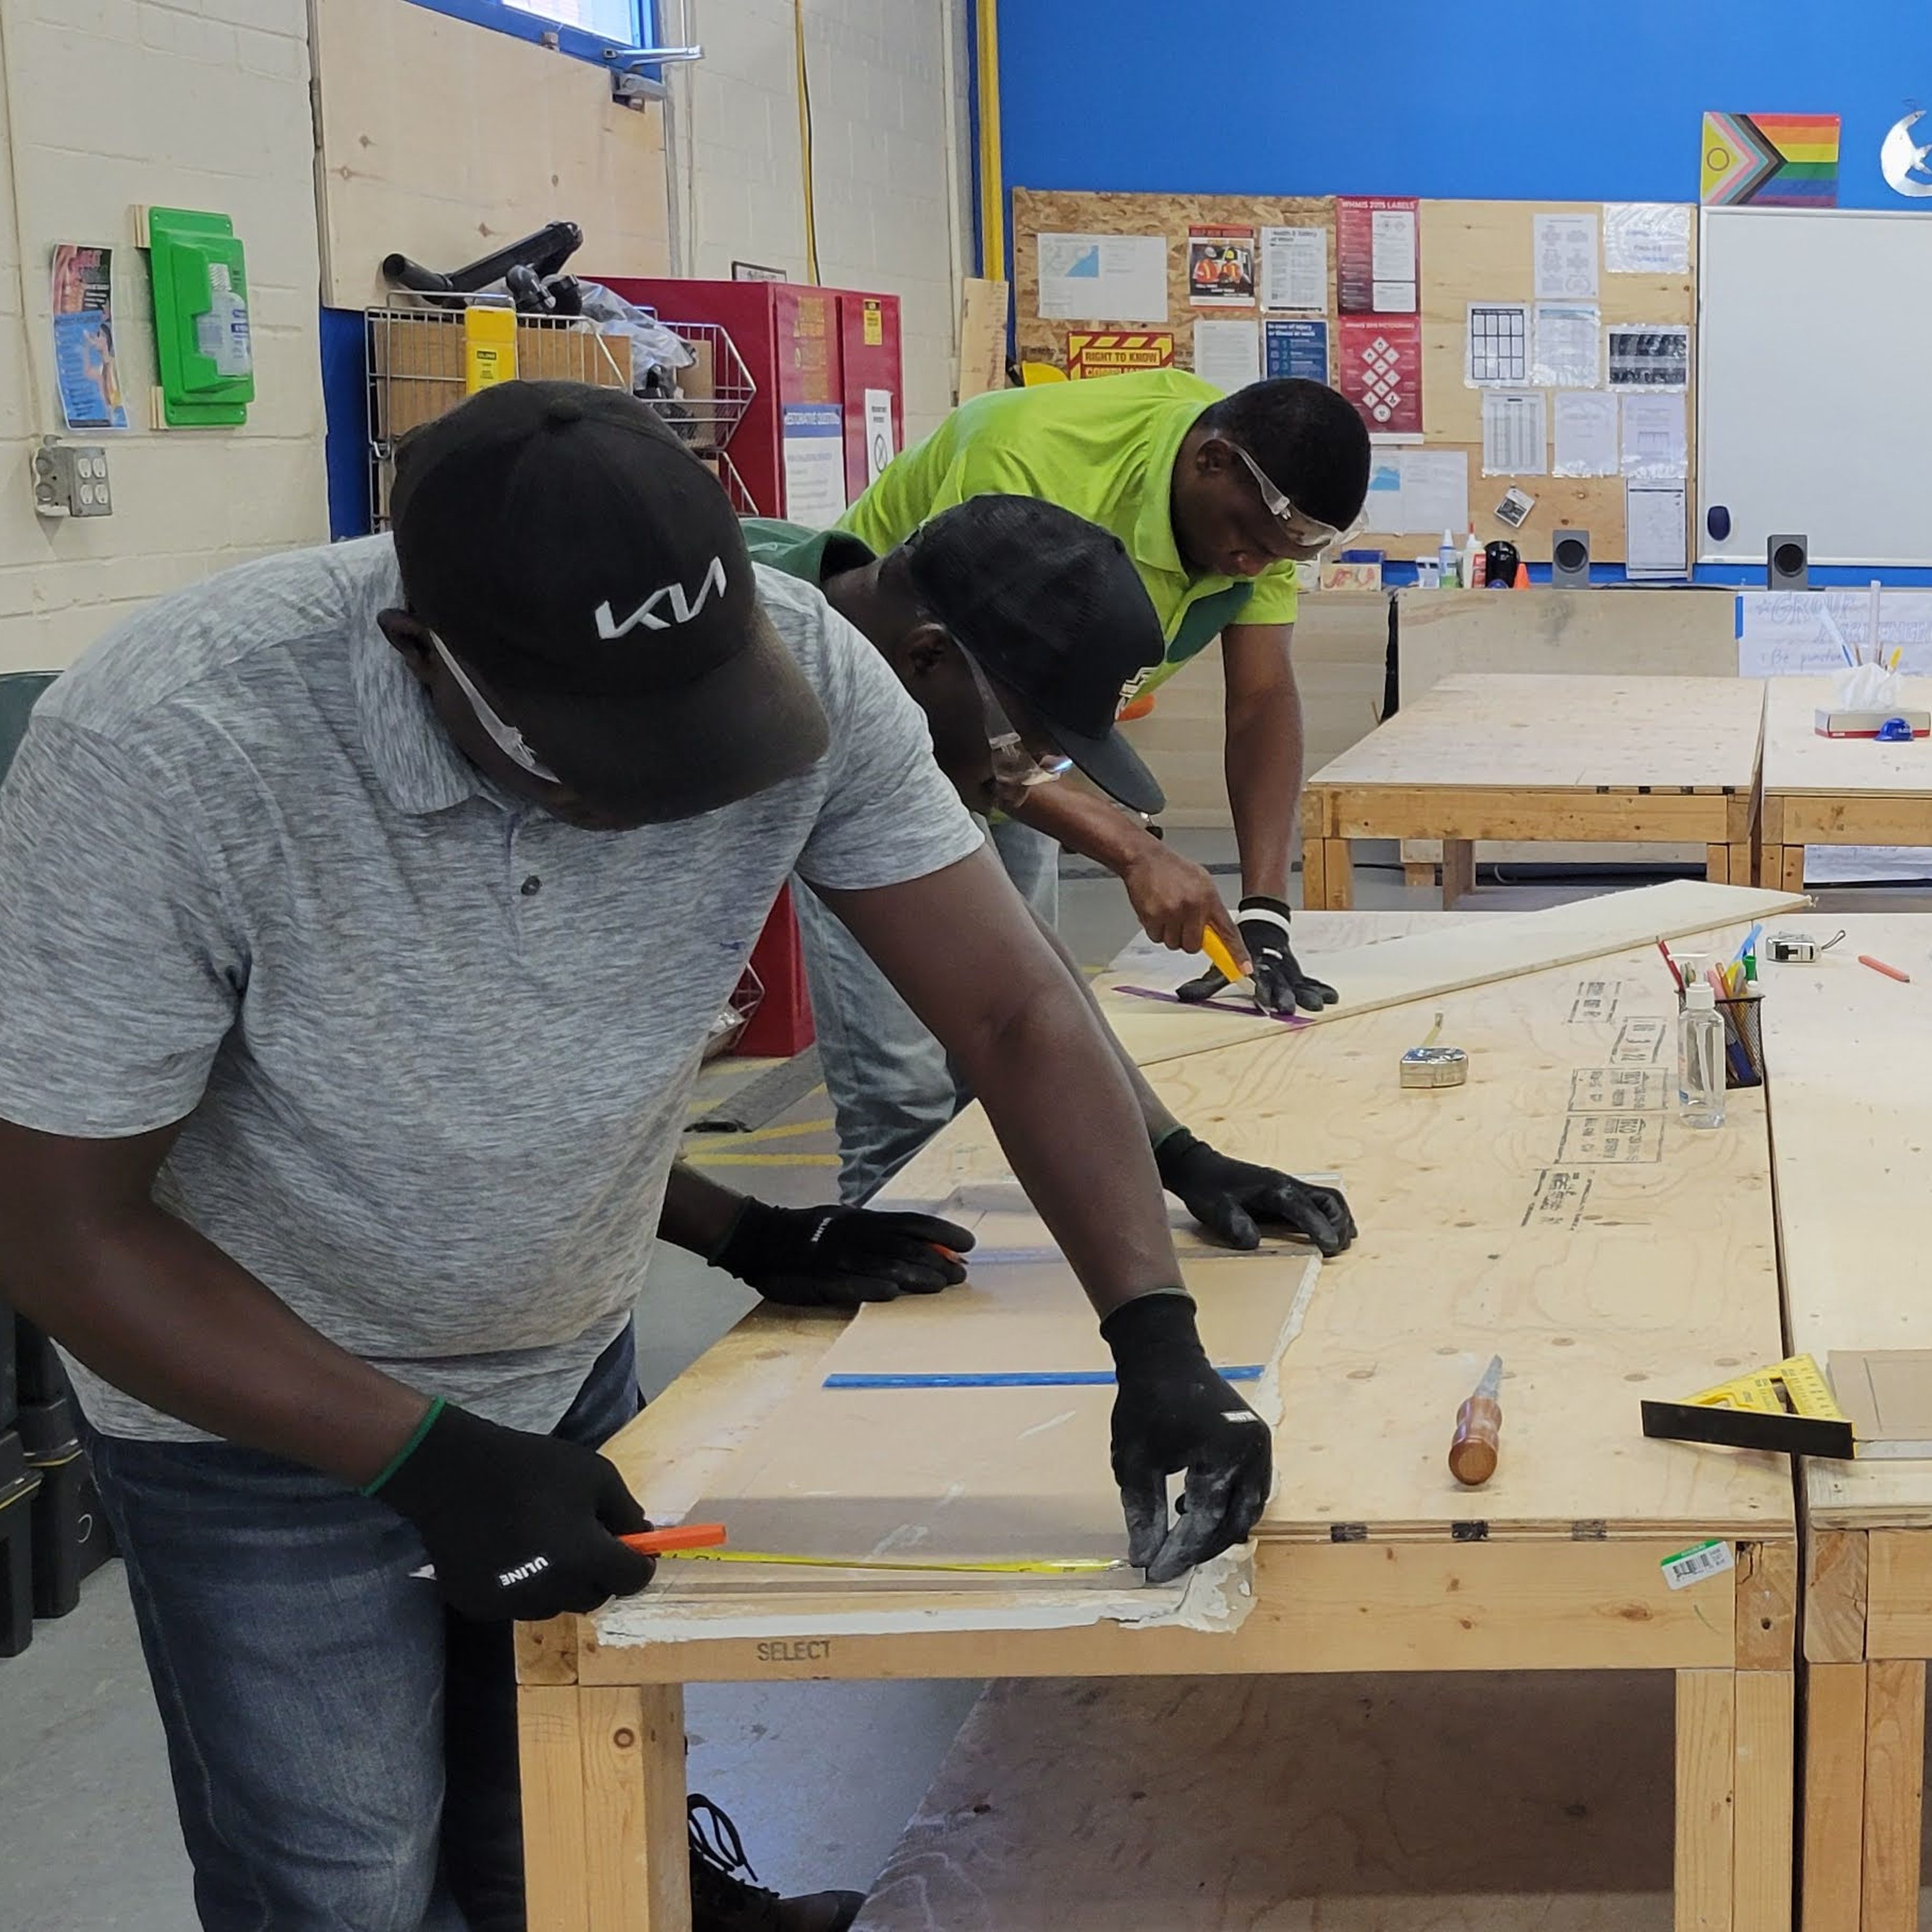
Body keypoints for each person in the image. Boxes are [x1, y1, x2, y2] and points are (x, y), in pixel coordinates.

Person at [0, 382, 1275, 1932]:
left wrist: (1152, 1335)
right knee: (340, 1876)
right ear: (425, 652)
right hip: (254, 1413)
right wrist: (423, 1455)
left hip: (564, 1347)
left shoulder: (817, 661)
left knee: (560, 1824)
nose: (659, 808)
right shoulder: (169, 748)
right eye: (610, 758)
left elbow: (1008, 1006)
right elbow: (60, 1229)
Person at [733, 495, 1354, 1252]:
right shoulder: (706, 656)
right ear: (928, 658)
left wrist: (1183, 1159)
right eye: (1019, 751)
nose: (1017, 787)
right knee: (900, 1090)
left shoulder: (876, 689)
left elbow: (1017, 972)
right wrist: (738, 1236)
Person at [841, 370, 1372, 1014]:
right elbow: (965, 695)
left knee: (1013, 1004)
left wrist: (1266, 914)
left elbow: (1261, 700)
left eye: (1278, 558)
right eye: (1252, 545)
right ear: (1212, 462)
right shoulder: (1029, 458)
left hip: (1024, 732)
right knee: (906, 1056)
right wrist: (1133, 852)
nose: (1255, 568)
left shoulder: (1260, 511)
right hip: (892, 726)